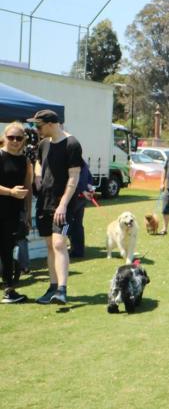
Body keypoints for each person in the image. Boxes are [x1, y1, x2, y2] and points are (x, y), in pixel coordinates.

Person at [28, 109, 82, 305]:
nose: (37, 130)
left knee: (59, 244)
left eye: (39, 126)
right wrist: (37, 175)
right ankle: (52, 287)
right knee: (50, 246)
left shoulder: (72, 144)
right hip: (44, 203)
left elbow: (74, 177)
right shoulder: (43, 144)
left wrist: (63, 205)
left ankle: (62, 289)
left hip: (63, 206)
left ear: (51, 124)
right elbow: (38, 161)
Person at [1, 122, 33, 303]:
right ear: (5, 137)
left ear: (23, 140)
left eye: (18, 138)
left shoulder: (25, 161)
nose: (14, 141)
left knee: (7, 251)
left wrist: (27, 213)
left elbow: (28, 187)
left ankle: (9, 291)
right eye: (11, 137)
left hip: (13, 214)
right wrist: (10, 192)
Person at [66, 160, 96, 258]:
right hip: (81, 198)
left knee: (67, 224)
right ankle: (78, 250)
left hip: (74, 198)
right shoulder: (84, 163)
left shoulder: (73, 163)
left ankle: (68, 248)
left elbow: (74, 181)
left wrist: (83, 191)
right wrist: (90, 190)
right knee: (78, 225)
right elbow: (89, 179)